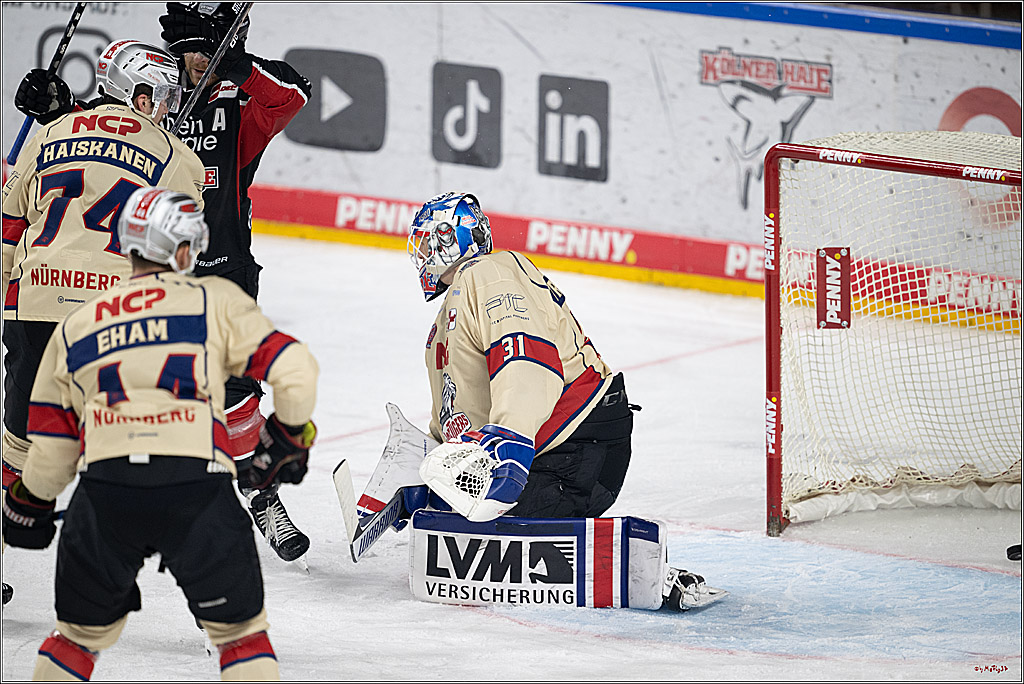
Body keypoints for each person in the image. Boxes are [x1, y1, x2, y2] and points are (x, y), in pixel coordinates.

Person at [1, 186, 319, 681]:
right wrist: (288, 436)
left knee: (75, 641)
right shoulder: (214, 301)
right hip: (197, 490)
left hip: (107, 494)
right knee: (242, 639)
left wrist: (30, 501)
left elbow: (53, 445)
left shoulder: (81, 323)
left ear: (127, 244)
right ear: (187, 250)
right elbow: (295, 369)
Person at [400, 191, 710, 610]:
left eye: (424, 242)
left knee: (475, 531)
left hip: (580, 444)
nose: (419, 255)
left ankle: (626, 566)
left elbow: (527, 357)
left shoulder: (488, 272)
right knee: (455, 521)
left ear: (447, 238)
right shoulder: (447, 318)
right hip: (552, 448)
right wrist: (433, 480)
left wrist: (510, 441)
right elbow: (460, 413)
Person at [2, 40, 205, 603]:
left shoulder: (49, 131)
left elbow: (9, 223)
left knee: (15, 446)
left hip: (35, 303)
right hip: (112, 317)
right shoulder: (174, 155)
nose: (165, 106)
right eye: (162, 97)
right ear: (143, 94)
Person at [158, 1, 314, 561]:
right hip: (145, 275)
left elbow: (294, 94)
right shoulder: (152, 85)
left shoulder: (242, 100)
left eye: (210, 46)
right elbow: (98, 125)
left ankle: (260, 491)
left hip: (223, 272)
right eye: (190, 46)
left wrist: (235, 64)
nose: (197, 60)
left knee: (237, 394)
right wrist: (60, 109)